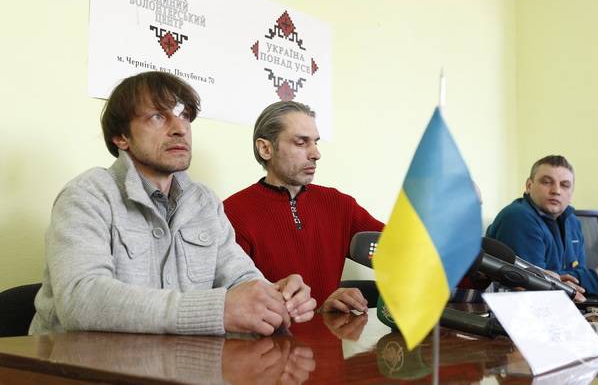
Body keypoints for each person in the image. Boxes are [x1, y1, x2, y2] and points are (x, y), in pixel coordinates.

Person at [30, 71, 316, 336]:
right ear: (121, 136)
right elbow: (81, 300)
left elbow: (241, 277)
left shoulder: (204, 202)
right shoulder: (87, 194)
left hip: (176, 362)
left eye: (185, 116)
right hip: (75, 365)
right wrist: (215, 310)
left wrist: (276, 296)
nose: (180, 128)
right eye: (158, 116)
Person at [224, 101, 384, 313]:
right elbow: (236, 309)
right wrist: (319, 312)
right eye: (301, 143)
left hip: (329, 334)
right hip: (273, 335)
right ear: (265, 149)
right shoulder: (232, 214)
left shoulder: (339, 204)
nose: (316, 154)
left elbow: (403, 250)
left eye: (315, 142)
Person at [486, 155, 598, 296]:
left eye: (565, 185)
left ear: (571, 193)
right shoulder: (518, 216)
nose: (556, 191)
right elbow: (533, 283)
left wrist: (589, 280)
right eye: (546, 182)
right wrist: (595, 279)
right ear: (529, 186)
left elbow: (577, 279)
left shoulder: (573, 222)